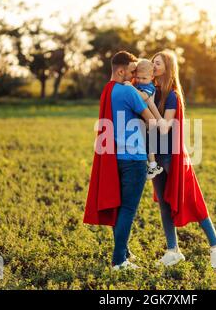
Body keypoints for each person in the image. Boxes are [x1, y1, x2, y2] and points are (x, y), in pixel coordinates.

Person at [150, 50, 216, 269]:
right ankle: (172, 250)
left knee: (192, 200)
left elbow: (165, 128)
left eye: (157, 63)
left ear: (167, 67)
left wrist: (149, 106)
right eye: (152, 62)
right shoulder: (153, 92)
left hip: (173, 156)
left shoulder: (171, 96)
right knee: (164, 204)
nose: (153, 66)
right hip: (156, 156)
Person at [83, 51, 158, 270]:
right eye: (133, 71)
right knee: (127, 209)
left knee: (120, 206)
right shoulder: (129, 92)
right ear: (122, 70)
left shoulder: (109, 90)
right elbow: (152, 121)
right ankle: (119, 261)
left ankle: (123, 251)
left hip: (115, 156)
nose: (135, 76)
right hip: (134, 158)